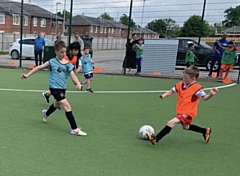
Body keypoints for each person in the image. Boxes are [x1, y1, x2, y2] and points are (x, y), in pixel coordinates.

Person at [21, 41, 87, 136]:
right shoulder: (52, 61)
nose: (63, 54)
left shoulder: (68, 64)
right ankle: (74, 129)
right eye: (61, 52)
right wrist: (27, 75)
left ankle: (46, 114)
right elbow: (39, 67)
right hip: (54, 88)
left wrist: (77, 83)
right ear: (56, 51)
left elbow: (72, 74)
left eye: (64, 52)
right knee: (67, 106)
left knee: (56, 105)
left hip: (62, 88)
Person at [146, 66, 218, 145]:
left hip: (188, 113)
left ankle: (156, 139)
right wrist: (164, 95)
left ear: (193, 79)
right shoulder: (181, 84)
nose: (184, 79)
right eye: (183, 77)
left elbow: (205, 98)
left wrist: (211, 94)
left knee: (171, 122)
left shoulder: (197, 89)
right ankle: (204, 131)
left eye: (186, 78)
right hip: (181, 111)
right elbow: (172, 91)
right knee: (185, 127)